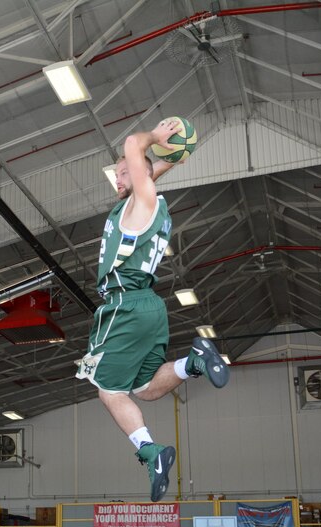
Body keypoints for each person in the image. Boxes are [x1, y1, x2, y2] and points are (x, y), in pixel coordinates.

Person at [75, 119, 229, 502]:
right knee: (143, 389)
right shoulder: (144, 202)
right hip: (149, 307)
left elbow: (133, 145)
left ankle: (149, 451)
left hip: (124, 305)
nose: (118, 173)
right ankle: (192, 363)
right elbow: (150, 167)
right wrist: (175, 153)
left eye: (125, 168)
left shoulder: (142, 202)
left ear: (141, 171)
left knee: (107, 389)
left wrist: (153, 139)